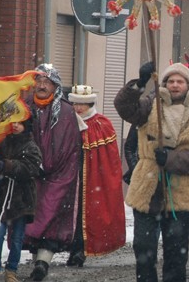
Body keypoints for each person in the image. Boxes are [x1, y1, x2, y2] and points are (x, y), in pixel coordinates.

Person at [115, 62, 189, 282]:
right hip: (147, 188)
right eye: (170, 81)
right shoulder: (150, 105)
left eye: (179, 81)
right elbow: (125, 108)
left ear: (188, 84)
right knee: (143, 248)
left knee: (176, 253)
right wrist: (140, 83)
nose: (174, 85)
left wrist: (171, 158)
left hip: (180, 192)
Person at [23, 64, 82, 281]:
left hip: (59, 176)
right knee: (31, 218)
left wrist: (46, 165)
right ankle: (37, 259)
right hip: (30, 175)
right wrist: (30, 163)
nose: (41, 85)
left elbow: (66, 146)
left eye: (46, 82)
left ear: (55, 86)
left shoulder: (65, 111)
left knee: (50, 217)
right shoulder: (25, 107)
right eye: (38, 81)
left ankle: (42, 263)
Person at [66, 85, 126, 267]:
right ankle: (67, 247)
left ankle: (80, 250)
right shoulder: (66, 123)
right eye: (75, 104)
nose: (78, 108)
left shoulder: (102, 124)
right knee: (70, 214)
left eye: (82, 104)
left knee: (86, 215)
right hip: (69, 178)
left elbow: (111, 160)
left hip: (92, 180)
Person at [0, 118, 41, 282]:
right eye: (12, 122)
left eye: (19, 123)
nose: (15, 125)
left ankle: (11, 270)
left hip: (21, 199)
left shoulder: (31, 146)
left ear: (26, 125)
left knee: (17, 237)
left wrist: (7, 166)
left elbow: (30, 168)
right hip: (1, 198)